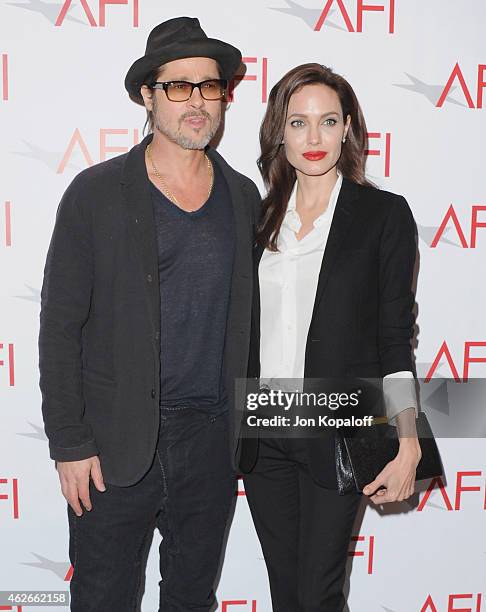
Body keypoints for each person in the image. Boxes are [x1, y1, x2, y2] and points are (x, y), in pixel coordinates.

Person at [39, 16, 260, 612]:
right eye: (178, 86)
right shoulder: (96, 192)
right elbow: (60, 327)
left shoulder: (243, 198)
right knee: (102, 599)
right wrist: (69, 441)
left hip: (211, 446)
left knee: (191, 600)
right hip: (112, 449)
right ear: (147, 95)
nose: (196, 101)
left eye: (209, 86)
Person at [239, 63, 422, 611]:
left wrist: (408, 439)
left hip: (337, 425)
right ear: (280, 133)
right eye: (298, 123)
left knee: (319, 595)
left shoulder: (383, 215)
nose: (313, 138)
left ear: (348, 129)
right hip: (263, 424)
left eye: (327, 121)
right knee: (286, 593)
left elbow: (395, 339)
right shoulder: (259, 216)